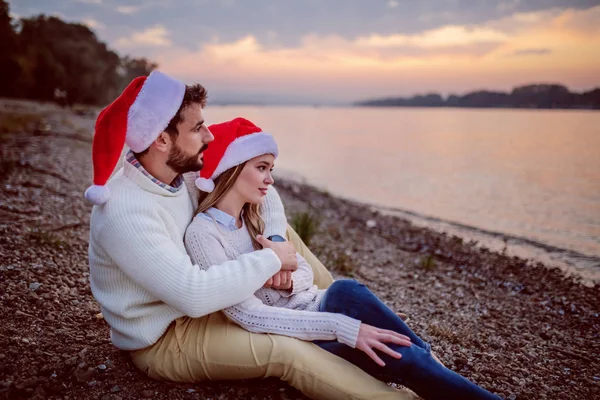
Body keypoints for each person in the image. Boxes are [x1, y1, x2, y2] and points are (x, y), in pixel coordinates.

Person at [85, 71, 419, 399]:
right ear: (162, 140)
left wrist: (274, 239)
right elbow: (193, 295)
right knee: (285, 351)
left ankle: (329, 307)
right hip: (165, 338)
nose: (210, 137)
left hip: (210, 301)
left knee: (281, 233)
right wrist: (271, 259)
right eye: (198, 128)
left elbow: (265, 195)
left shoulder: (182, 174)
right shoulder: (126, 209)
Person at [183, 117, 502, 400]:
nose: (271, 180)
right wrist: (344, 328)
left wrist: (288, 275)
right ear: (232, 168)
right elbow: (249, 316)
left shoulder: (257, 220)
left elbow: (305, 272)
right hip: (308, 334)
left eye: (272, 169)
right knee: (408, 359)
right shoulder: (203, 234)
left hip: (328, 302)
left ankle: (433, 369)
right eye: (262, 168)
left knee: (350, 293)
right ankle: (433, 369)